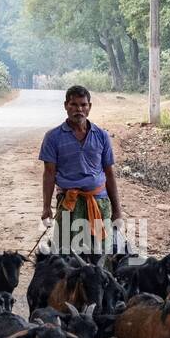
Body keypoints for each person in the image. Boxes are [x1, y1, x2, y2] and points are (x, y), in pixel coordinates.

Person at [38, 85, 123, 259]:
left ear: (89, 107)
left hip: (99, 203)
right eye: (74, 104)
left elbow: (109, 174)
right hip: (69, 204)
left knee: (101, 257)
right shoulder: (53, 137)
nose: (79, 109)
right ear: (66, 106)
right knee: (66, 257)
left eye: (83, 105)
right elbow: (49, 174)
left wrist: (117, 211)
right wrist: (46, 208)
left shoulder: (101, 136)